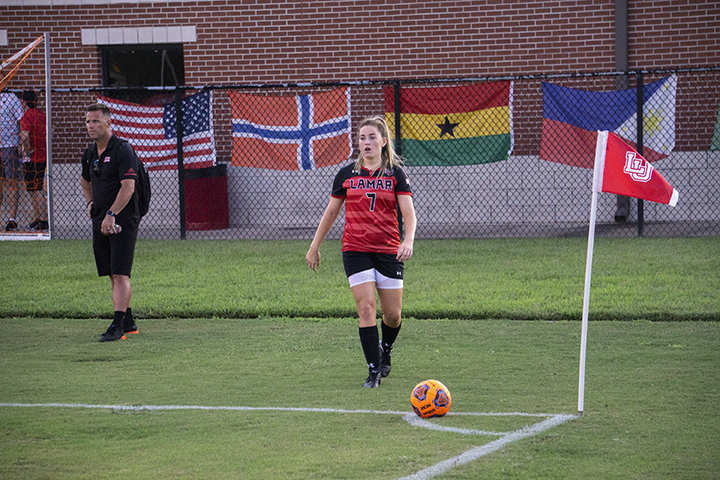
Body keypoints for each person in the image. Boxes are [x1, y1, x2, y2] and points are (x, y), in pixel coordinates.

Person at [306, 116, 416, 388]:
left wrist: (408, 240)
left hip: (389, 250)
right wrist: (314, 245)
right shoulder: (346, 174)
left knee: (393, 315)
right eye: (362, 138)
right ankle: (373, 370)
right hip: (355, 249)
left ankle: (386, 349)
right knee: (366, 308)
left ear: (383, 141)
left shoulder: (395, 175)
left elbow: (409, 214)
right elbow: (331, 212)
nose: (366, 142)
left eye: (371, 137)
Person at [80, 103, 141, 342]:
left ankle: (118, 327)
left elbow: (129, 187)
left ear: (108, 123)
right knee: (111, 273)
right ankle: (128, 320)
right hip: (101, 219)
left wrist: (112, 214)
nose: (90, 126)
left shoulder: (122, 150)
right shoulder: (90, 154)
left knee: (120, 273)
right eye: (87, 122)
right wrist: (90, 204)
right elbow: (85, 182)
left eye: (95, 121)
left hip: (122, 219)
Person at [19, 90, 48, 231]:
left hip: (33, 157)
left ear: (25, 102)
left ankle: (43, 221)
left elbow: (24, 136)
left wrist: (27, 148)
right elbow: (51, 131)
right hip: (43, 156)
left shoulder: (26, 116)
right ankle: (38, 219)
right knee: (34, 189)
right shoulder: (43, 116)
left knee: (36, 190)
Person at [0, 91, 24, 231]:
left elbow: (21, 120)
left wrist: (21, 143)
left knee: (11, 182)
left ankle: (12, 219)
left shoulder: (11, 98)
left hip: (10, 145)